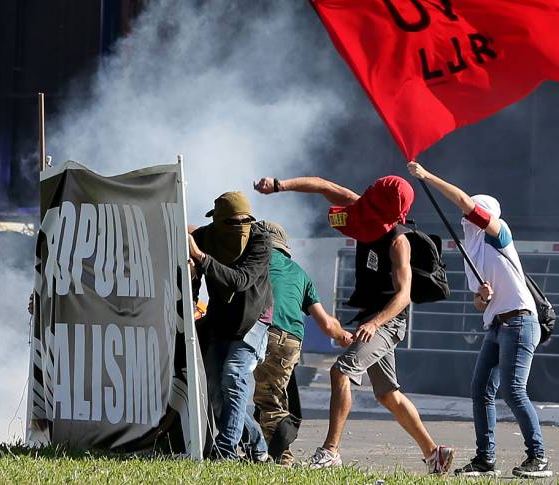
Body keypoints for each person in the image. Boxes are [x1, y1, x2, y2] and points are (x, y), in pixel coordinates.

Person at [254, 175, 453, 474]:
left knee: (340, 370)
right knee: (387, 394)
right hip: (369, 320)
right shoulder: (362, 207)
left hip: (388, 321)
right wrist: (279, 185)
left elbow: (403, 296)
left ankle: (331, 451)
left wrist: (374, 323)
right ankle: (433, 453)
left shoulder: (399, 242)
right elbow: (323, 185)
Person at [408, 162, 552, 479]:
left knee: (514, 390)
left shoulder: (499, 235)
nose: (465, 219)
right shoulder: (471, 248)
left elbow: (463, 202)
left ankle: (538, 458)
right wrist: (483, 297)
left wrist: (427, 177)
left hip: (520, 322)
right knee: (480, 391)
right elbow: (477, 303)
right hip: (498, 325)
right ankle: (485, 459)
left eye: (473, 213)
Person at [251, 220, 354, 466]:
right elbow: (327, 325)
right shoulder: (299, 272)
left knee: (266, 400)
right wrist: (343, 336)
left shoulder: (254, 261)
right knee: (276, 395)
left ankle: (281, 458)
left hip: (263, 333)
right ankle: (265, 449)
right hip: (291, 343)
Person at [188, 191, 272, 460]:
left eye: (244, 222)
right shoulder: (205, 236)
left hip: (254, 319)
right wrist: (191, 294)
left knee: (234, 375)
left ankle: (225, 452)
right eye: (231, 223)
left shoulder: (260, 240)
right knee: (214, 389)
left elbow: (240, 281)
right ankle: (258, 446)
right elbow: (192, 273)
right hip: (221, 319)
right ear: (217, 221)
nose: (239, 229)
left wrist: (201, 257)